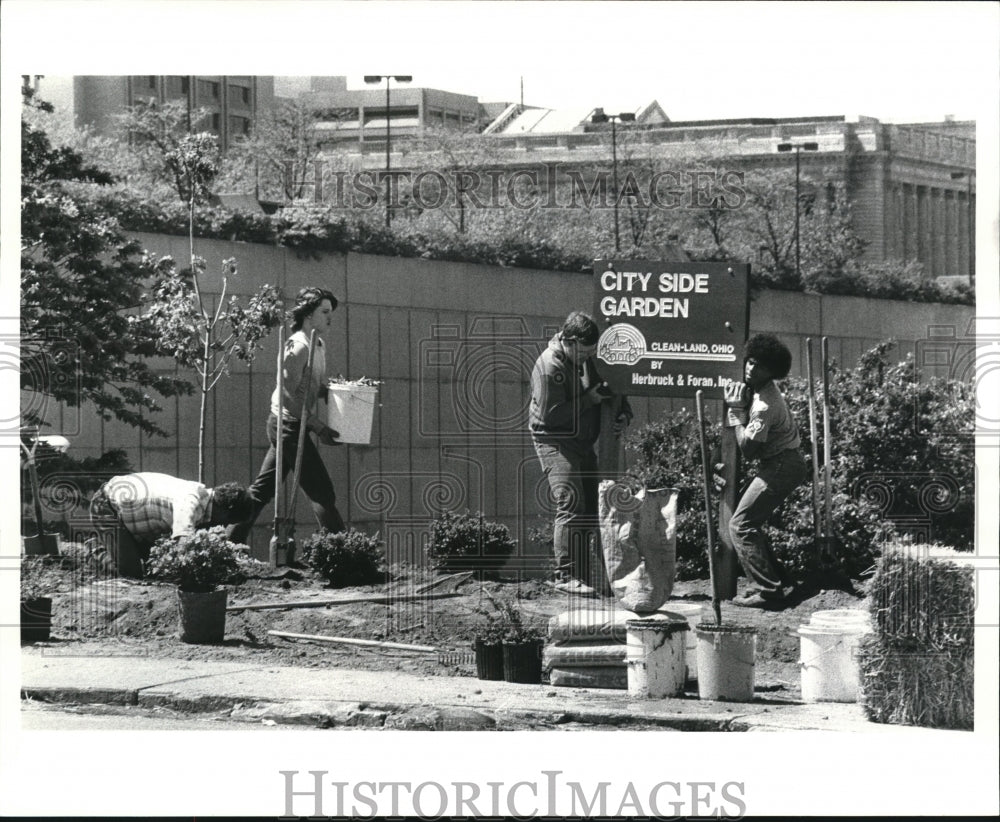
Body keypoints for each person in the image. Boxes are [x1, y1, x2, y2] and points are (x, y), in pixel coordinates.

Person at [227, 286, 346, 546]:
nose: (330, 317)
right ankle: (345, 550)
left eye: (330, 312)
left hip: (294, 424)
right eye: (324, 312)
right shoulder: (298, 346)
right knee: (321, 491)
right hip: (287, 425)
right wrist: (318, 427)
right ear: (308, 314)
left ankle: (226, 544)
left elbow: (310, 384)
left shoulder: (318, 343)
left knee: (261, 491)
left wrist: (340, 392)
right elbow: (286, 395)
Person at [529, 310, 631, 595]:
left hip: (581, 444)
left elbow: (611, 386)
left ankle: (584, 575)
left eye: (591, 352)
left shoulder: (583, 359)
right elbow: (551, 416)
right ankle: (565, 575)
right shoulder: (549, 367)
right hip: (554, 441)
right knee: (571, 503)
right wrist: (589, 399)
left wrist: (624, 412)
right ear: (568, 340)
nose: (588, 357)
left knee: (590, 509)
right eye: (584, 352)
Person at [723, 334, 807, 609]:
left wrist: (736, 412)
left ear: (772, 372)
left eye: (759, 366)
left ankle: (768, 591)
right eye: (749, 362)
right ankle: (778, 582)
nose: (750, 369)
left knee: (740, 524)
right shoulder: (761, 391)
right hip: (784, 462)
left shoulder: (764, 404)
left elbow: (748, 449)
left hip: (782, 465)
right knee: (750, 524)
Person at [90, 473, 253, 577]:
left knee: (149, 567)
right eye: (228, 521)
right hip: (107, 508)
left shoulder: (201, 496)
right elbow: (183, 543)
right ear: (226, 511)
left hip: (134, 518)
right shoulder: (190, 504)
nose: (224, 526)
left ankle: (118, 548)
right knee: (132, 574)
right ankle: (95, 552)